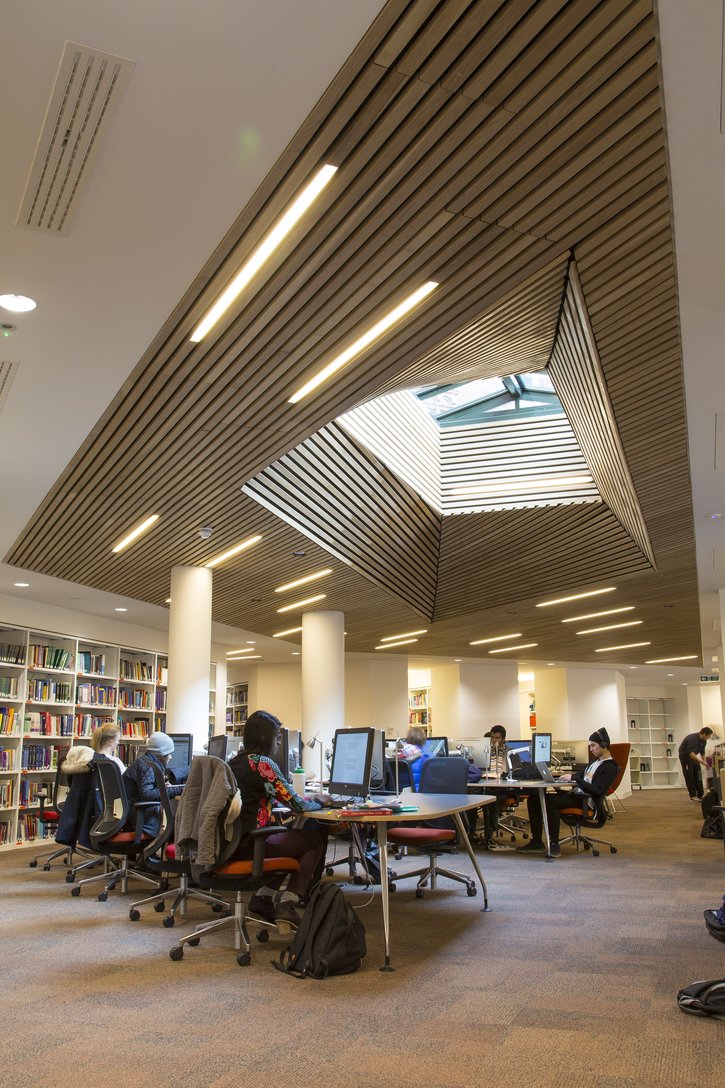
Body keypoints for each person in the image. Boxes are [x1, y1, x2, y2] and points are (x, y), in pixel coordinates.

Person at [228, 710, 326, 927]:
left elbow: (277, 795)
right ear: (265, 738)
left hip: (231, 842)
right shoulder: (262, 764)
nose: (279, 743)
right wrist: (320, 800)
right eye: (278, 737)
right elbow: (298, 805)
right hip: (250, 844)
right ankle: (288, 904)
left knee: (287, 838)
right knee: (314, 840)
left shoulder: (235, 762)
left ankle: (264, 898)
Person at [518, 728, 619, 858]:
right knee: (534, 799)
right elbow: (582, 774)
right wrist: (568, 776)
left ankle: (554, 843)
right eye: (590, 746)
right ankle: (537, 841)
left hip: (587, 802)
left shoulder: (610, 766)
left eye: (593, 746)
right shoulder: (596, 762)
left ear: (604, 745)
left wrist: (575, 779)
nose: (591, 749)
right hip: (577, 795)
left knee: (550, 802)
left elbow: (597, 790)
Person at [123, 732, 184, 836]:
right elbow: (147, 795)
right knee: (177, 828)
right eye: (169, 753)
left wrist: (162, 787)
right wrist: (181, 789)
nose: (171, 757)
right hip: (139, 822)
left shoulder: (145, 761)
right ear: (161, 753)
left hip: (134, 817)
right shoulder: (147, 765)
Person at [678, 727, 714, 800]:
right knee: (689, 775)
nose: (709, 738)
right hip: (685, 756)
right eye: (708, 736)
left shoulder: (704, 740)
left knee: (698, 774)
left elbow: (702, 752)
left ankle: (701, 795)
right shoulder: (692, 739)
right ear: (704, 734)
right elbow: (691, 754)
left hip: (693, 755)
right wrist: (703, 763)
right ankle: (693, 795)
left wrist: (705, 762)